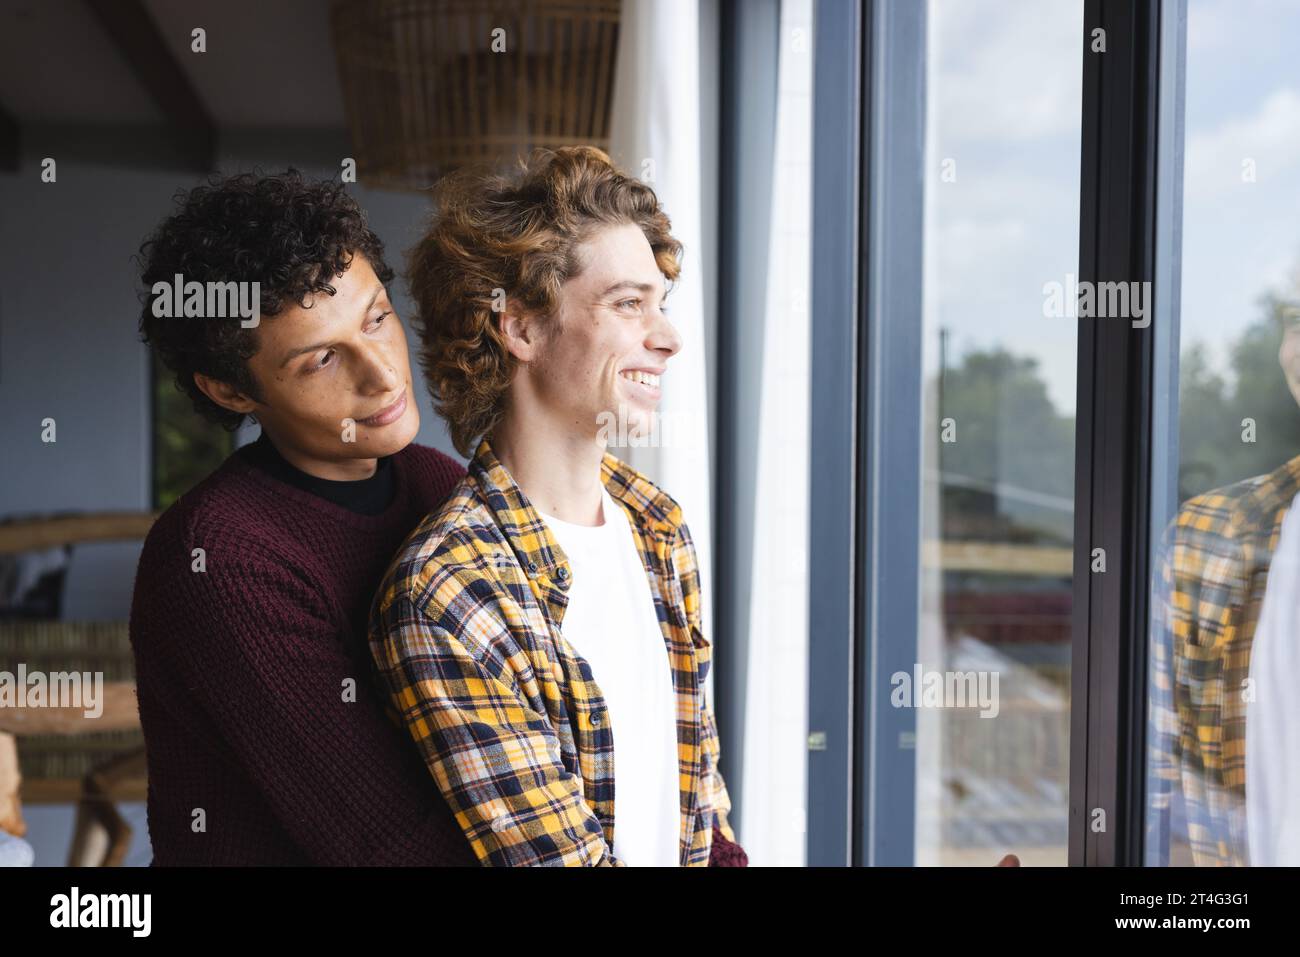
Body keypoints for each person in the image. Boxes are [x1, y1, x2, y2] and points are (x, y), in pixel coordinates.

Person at [368, 146, 748, 866]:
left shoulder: (658, 527)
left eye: (660, 305)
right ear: (521, 329)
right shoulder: (448, 593)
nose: (667, 338)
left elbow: (703, 809)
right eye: (628, 304)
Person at [128, 170, 476, 865]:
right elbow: (390, 847)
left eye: (377, 317)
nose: (382, 373)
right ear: (230, 389)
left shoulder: (437, 485)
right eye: (322, 359)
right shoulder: (218, 560)